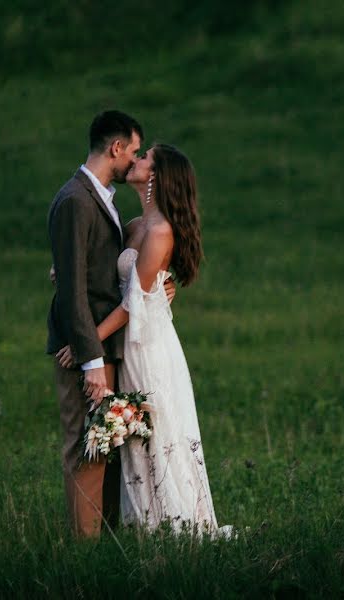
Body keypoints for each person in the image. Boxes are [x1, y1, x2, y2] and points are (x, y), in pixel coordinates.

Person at [56, 143, 231, 537]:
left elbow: (134, 304)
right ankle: (139, 524)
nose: (135, 160)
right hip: (129, 343)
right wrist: (64, 268)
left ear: (156, 175)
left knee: (152, 433)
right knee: (132, 436)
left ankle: (169, 526)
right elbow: (102, 269)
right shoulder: (135, 225)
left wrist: (88, 343)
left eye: (145, 156)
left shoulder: (161, 231)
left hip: (147, 346)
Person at [47, 110, 173, 538]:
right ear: (116, 148)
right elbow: (72, 290)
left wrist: (159, 289)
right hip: (87, 351)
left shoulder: (102, 199)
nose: (134, 160)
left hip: (113, 347)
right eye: (134, 151)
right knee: (87, 449)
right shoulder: (75, 200)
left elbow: (93, 272)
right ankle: (85, 555)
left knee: (110, 447)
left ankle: (109, 542)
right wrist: (91, 360)